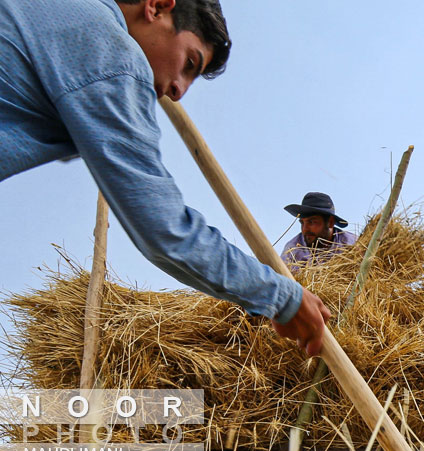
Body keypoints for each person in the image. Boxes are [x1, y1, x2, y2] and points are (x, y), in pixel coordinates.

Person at [0, 0, 331, 355]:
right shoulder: (113, 54)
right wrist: (281, 296)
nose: (179, 91)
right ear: (156, 7)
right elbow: (166, 230)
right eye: (189, 64)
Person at [280, 192, 358, 270]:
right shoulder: (292, 251)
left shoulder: (352, 245)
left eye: (312, 222)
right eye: (302, 223)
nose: (305, 229)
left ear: (330, 222)